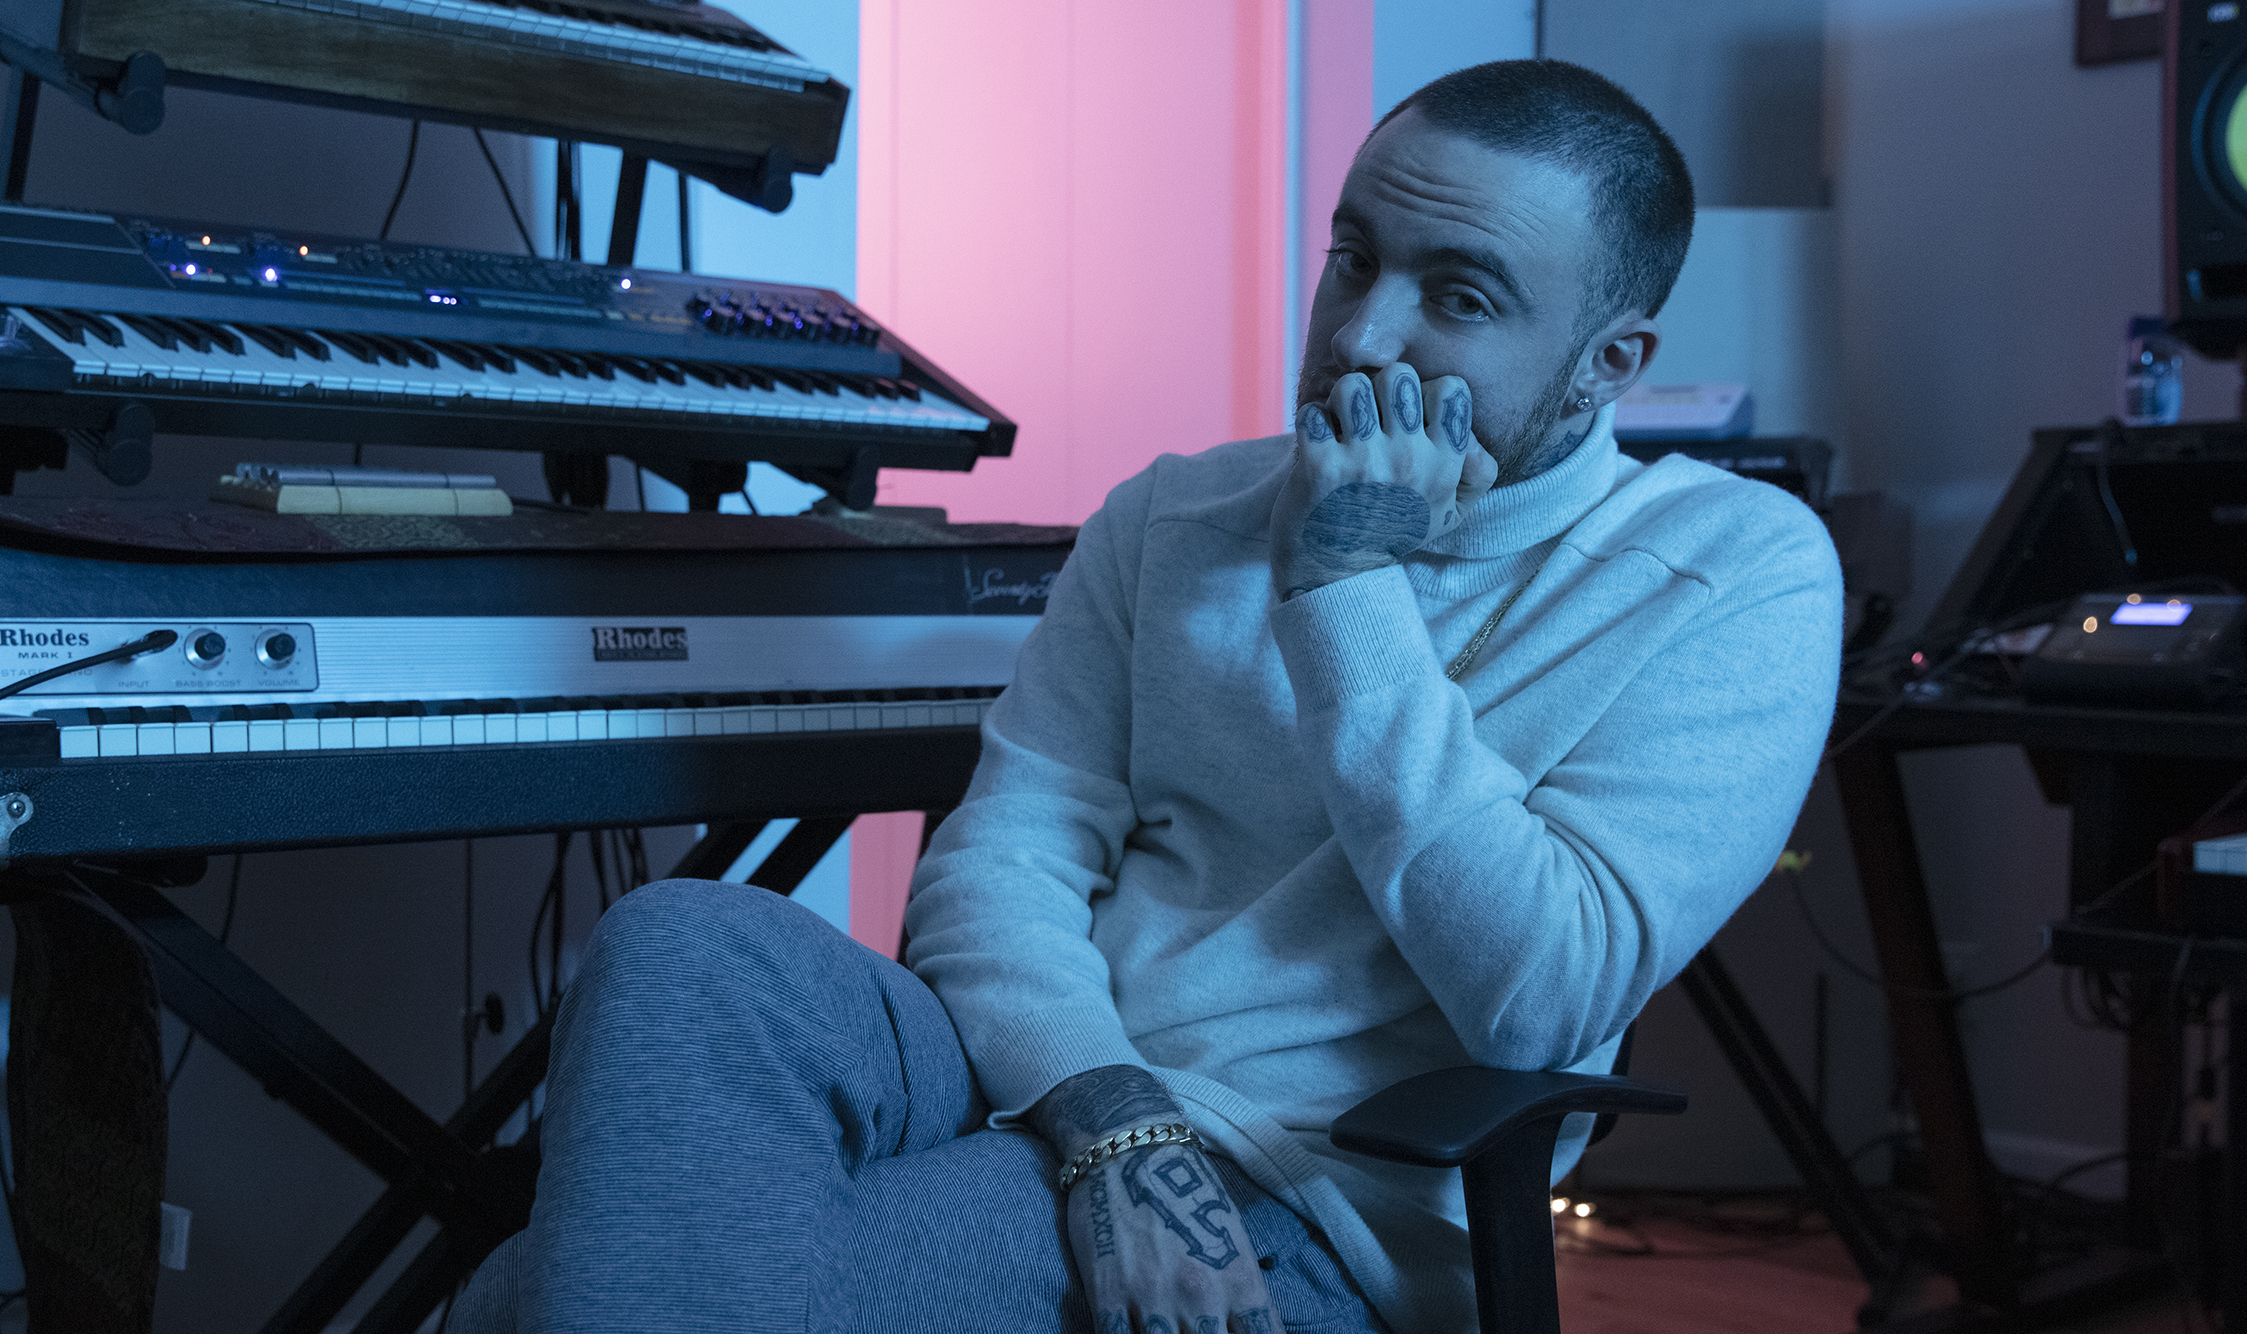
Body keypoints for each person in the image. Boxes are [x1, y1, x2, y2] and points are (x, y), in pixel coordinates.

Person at [452, 57, 1841, 1334]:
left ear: (1611, 365)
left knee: (532, 1293)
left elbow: (1540, 997)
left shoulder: (1737, 575)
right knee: (688, 939)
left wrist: (1344, 591)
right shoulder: (1177, 510)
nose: (1360, 336)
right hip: (1047, 1080)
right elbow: (1001, 860)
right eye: (1351, 259)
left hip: (1310, 1198)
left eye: (1459, 297)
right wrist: (1113, 1113)